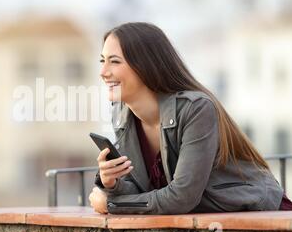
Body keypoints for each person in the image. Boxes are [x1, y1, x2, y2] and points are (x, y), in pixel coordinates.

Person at [89, 22, 292, 214]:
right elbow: (145, 194)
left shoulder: (196, 109)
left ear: (145, 65)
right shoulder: (121, 115)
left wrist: (112, 203)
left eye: (114, 61)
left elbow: (182, 197)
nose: (103, 72)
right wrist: (112, 183)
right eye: (102, 61)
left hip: (263, 216)